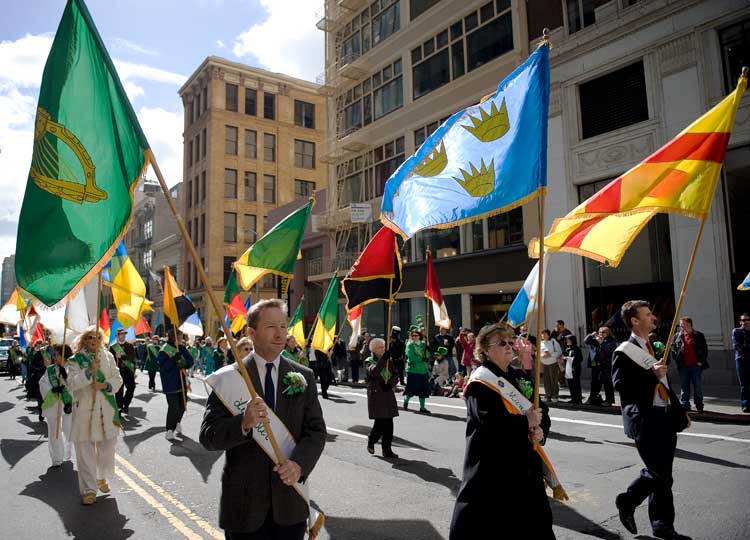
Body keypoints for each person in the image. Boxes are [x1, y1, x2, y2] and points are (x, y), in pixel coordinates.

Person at [200, 299, 326, 540]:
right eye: (270, 327)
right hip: (244, 507)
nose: (279, 333)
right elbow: (208, 437)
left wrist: (298, 465)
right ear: (251, 332)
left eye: (283, 326)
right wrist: (243, 423)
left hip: (290, 506)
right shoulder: (229, 379)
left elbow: (316, 432)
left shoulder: (304, 376)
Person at [450, 323, 553, 539]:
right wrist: (526, 423)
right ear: (485, 349)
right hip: (495, 467)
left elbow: (541, 409)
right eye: (501, 343)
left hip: (525, 463)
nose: (509, 346)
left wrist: (541, 430)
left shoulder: (520, 377)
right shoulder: (480, 382)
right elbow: (488, 422)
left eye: (510, 342)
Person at [612, 300, 691, 540]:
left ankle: (662, 526)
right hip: (645, 419)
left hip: (665, 416)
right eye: (648, 314)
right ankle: (627, 500)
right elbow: (620, 386)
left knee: (664, 476)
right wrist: (651, 376)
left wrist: (679, 411)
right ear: (635, 321)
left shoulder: (652, 347)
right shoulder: (624, 351)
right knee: (657, 472)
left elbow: (664, 383)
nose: (653, 317)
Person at [66, 326, 123, 505]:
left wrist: (106, 385)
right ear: (84, 339)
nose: (94, 340)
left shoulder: (108, 356)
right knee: (85, 451)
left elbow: (117, 378)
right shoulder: (75, 360)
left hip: (106, 409)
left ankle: (101, 476)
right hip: (84, 410)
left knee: (107, 447)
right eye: (90, 337)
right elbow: (71, 384)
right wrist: (88, 373)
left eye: (98, 337)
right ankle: (89, 490)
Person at [39, 344, 73, 467]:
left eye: (57, 354)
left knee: (68, 430)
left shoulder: (73, 368)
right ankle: (57, 458)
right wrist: (52, 389)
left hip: (68, 403)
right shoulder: (50, 370)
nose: (54, 357)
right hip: (53, 403)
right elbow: (42, 383)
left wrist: (66, 377)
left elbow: (77, 385)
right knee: (54, 431)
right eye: (54, 354)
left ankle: (67, 451)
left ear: (64, 356)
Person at [365, 337, 399, 458]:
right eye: (380, 347)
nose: (383, 349)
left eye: (383, 347)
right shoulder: (369, 361)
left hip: (388, 394)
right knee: (380, 423)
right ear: (373, 349)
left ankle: (387, 449)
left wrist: (391, 383)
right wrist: (383, 360)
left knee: (389, 424)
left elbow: (396, 375)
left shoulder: (389, 360)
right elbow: (373, 372)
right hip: (376, 396)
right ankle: (371, 440)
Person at [157, 332, 194, 441]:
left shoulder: (181, 348)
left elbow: (190, 361)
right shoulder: (164, 349)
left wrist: (184, 363)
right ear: (173, 336)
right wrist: (174, 360)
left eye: (181, 335)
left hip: (181, 381)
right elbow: (162, 366)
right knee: (173, 407)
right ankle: (169, 429)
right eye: (179, 335)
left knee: (183, 405)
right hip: (170, 382)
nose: (181, 337)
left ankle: (177, 421)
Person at [671, 317, 707, 413]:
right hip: (683, 366)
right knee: (684, 386)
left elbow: (704, 349)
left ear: (689, 324)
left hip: (695, 365)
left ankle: (699, 405)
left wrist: (701, 361)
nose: (681, 326)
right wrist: (677, 361)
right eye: (681, 324)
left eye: (683, 324)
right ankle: (685, 404)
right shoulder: (677, 336)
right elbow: (673, 349)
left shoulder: (698, 335)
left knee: (697, 386)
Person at [584, 327, 617, 406]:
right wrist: (591, 335)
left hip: (606, 365)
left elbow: (608, 351)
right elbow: (586, 341)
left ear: (607, 333)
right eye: (600, 332)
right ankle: (592, 398)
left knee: (607, 383)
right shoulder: (597, 340)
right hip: (596, 364)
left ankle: (609, 401)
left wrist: (602, 343)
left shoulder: (611, 341)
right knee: (594, 383)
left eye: (603, 332)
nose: (601, 334)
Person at [403, 325, 431, 414]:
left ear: (420, 336)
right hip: (413, 370)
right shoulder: (410, 344)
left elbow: (427, 355)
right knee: (411, 389)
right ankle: (406, 400)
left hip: (423, 370)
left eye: (416, 335)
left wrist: (428, 352)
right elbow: (411, 357)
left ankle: (422, 407)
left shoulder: (423, 344)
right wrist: (422, 359)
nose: (414, 337)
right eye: (413, 335)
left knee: (423, 390)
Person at [110, 328, 136, 415]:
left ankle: (126, 403)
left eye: (124, 334)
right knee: (119, 391)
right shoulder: (113, 347)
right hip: (118, 371)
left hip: (128, 371)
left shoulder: (130, 345)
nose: (123, 335)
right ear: (117, 336)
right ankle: (119, 407)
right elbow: (110, 360)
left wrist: (122, 356)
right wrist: (115, 357)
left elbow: (132, 357)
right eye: (121, 334)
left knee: (131, 388)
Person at [732, 313, 750, 413]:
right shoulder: (737, 331)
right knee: (744, 384)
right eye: (743, 320)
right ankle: (745, 404)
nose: (746, 322)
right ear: (740, 322)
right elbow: (737, 346)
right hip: (741, 360)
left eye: (747, 320)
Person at [28, 339, 50, 422]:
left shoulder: (53, 352)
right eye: (39, 343)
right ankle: (41, 411)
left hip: (52, 377)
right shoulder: (39, 353)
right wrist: (42, 365)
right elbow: (33, 364)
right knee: (40, 396)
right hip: (41, 377)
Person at [540, 329, 562, 402]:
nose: (543, 335)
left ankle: (555, 395)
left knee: (554, 380)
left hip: (553, 363)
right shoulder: (540, 343)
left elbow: (559, 352)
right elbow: (538, 353)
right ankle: (548, 395)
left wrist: (550, 355)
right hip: (544, 364)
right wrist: (542, 356)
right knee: (546, 380)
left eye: (545, 334)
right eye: (542, 334)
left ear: (548, 335)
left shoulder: (553, 342)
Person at [563, 335, 583, 404]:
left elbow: (579, 359)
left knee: (576, 384)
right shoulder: (568, 348)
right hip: (569, 368)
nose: (567, 341)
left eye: (568, 340)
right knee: (570, 384)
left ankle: (578, 399)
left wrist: (567, 358)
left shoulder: (576, 349)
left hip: (575, 369)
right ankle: (573, 398)